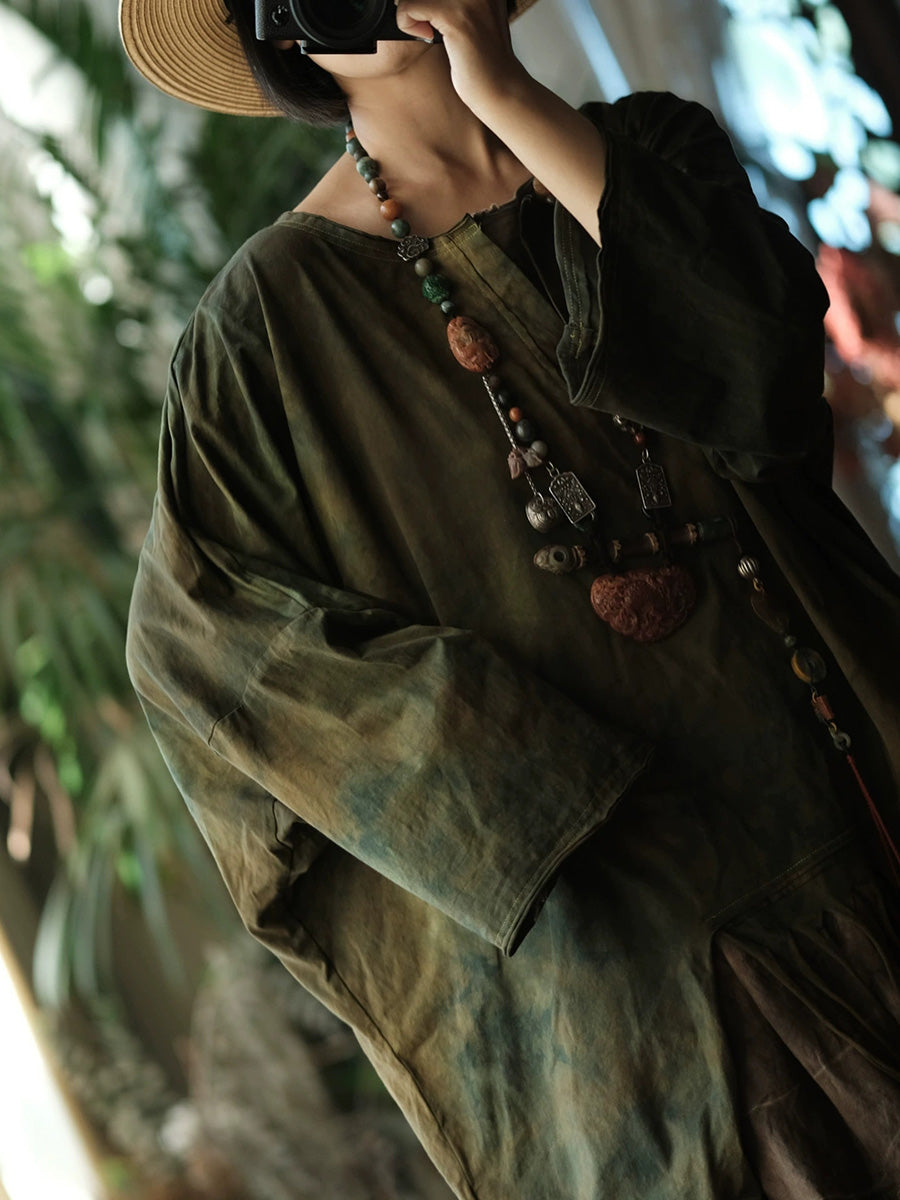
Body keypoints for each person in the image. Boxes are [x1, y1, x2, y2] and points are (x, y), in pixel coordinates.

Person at [120, 0, 900, 1196]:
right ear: (279, 28)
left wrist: (512, 99)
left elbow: (766, 386)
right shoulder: (266, 326)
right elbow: (199, 643)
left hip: (853, 783)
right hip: (650, 955)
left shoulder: (652, 150)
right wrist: (524, 783)